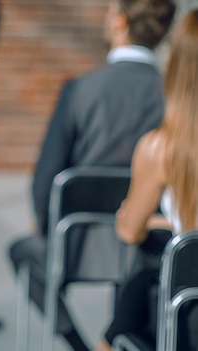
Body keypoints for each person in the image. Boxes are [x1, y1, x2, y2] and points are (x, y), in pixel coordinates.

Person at [8, 0, 176, 349]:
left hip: (77, 243)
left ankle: (79, 346)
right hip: (146, 248)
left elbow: (46, 181)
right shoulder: (172, 96)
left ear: (119, 22)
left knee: (23, 250)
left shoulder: (81, 91)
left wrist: (45, 223)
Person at [94, 8, 198, 351]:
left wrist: (136, 214)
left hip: (186, 319)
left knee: (146, 262)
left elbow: (128, 230)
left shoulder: (160, 148)